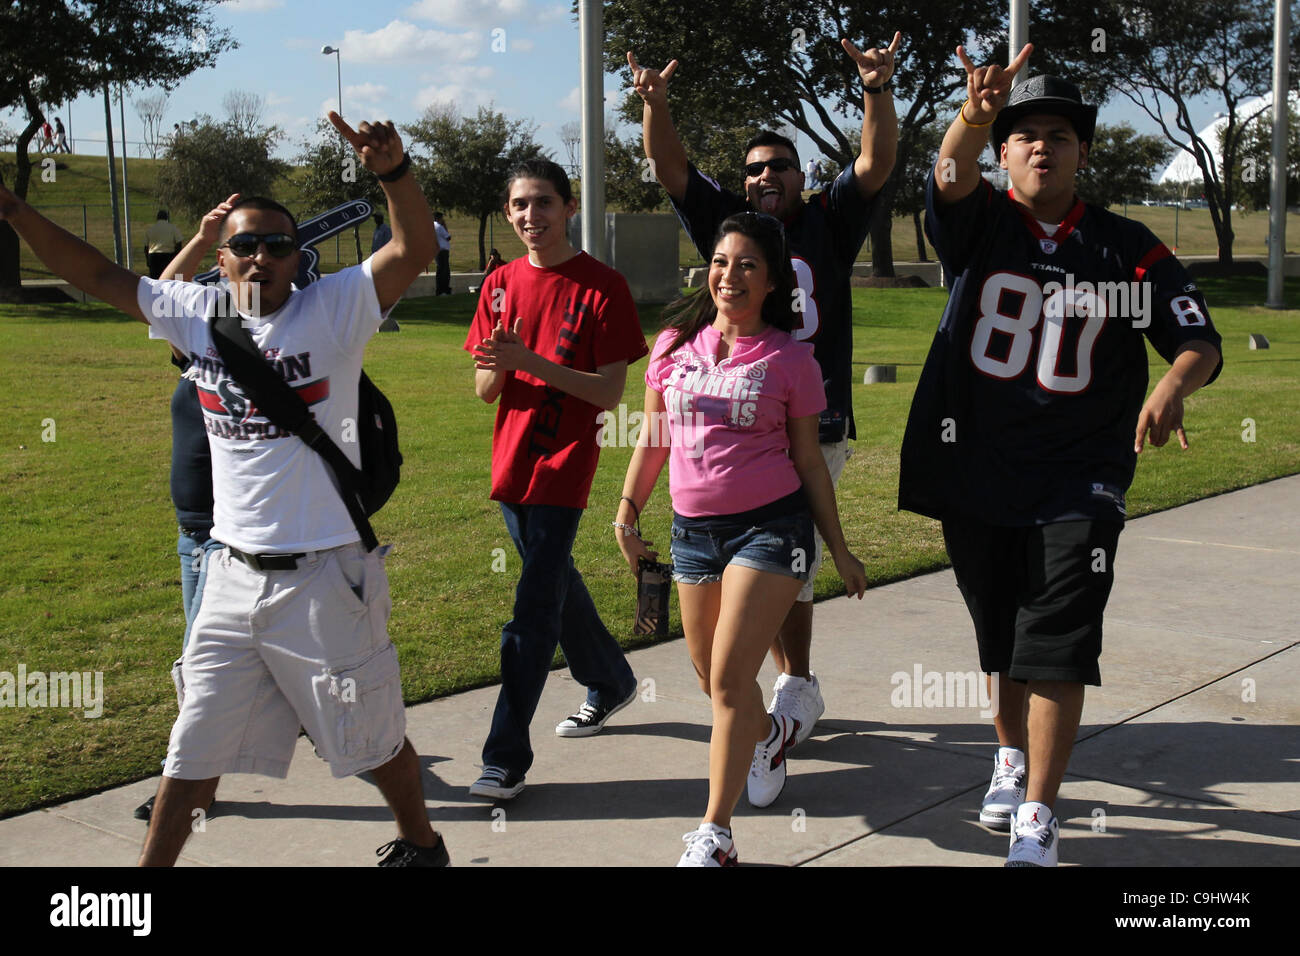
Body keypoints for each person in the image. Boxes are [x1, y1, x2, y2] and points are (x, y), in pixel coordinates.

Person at [0, 110, 450, 867]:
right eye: (247, 244)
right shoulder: (196, 317)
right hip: (228, 575)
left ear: (297, 258)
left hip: (323, 577)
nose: (264, 257)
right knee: (191, 748)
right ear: (224, 256)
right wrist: (16, 212)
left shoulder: (334, 310)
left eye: (281, 244)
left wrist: (394, 172)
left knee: (371, 740)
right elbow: (97, 273)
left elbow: (409, 248)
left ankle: (420, 841)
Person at [898, 47, 1223, 867]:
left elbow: (1196, 337)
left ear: (1084, 151)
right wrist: (972, 115)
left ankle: (1040, 813)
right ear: (1004, 153)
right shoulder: (980, 222)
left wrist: (1175, 383)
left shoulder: (1127, 247)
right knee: (1000, 637)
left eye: (1060, 134)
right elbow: (943, 171)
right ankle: (1009, 757)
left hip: (1080, 475)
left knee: (1060, 639)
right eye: (1026, 135)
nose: (1042, 146)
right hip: (977, 467)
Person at [628, 34, 899, 748]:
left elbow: (874, 162)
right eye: (753, 169)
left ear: (800, 173)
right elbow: (669, 165)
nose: (764, 176)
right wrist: (656, 105)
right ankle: (771, 691)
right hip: (733, 418)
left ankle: (793, 683)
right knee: (745, 580)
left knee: (789, 567)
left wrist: (876, 88)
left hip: (810, 420)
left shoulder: (827, 218)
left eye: (778, 165)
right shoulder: (731, 226)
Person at [615, 212, 867, 866]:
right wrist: (626, 511)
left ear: (773, 281)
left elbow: (810, 461)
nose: (730, 276)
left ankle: (715, 835)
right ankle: (770, 736)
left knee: (729, 677)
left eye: (748, 265)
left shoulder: (791, 359)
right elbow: (653, 438)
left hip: (772, 529)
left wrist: (837, 548)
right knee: (712, 681)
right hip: (692, 535)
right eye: (722, 262)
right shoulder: (672, 346)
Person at [464, 158, 645, 801]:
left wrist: (529, 359)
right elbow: (487, 390)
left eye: (543, 203)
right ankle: (612, 678)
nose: (529, 217)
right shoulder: (500, 284)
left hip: (564, 465)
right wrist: (502, 362)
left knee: (532, 609)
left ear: (568, 208)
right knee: (555, 580)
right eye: (518, 205)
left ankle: (504, 757)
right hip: (511, 461)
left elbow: (610, 391)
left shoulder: (603, 287)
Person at [133, 195, 240, 822]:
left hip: (227, 536)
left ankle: (191, 787)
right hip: (191, 534)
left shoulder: (247, 356)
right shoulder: (194, 353)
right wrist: (201, 237)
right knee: (211, 667)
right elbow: (160, 291)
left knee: (201, 669)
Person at [144, 210, 185, 280]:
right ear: (167, 218)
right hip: (168, 256)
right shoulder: (173, 228)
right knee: (170, 278)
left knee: (155, 280)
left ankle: (156, 291)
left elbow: (146, 247)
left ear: (157, 218)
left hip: (153, 257)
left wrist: (148, 260)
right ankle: (171, 290)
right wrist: (177, 255)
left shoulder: (150, 229)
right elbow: (179, 242)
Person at [433, 211, 452, 294]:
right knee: (445, 271)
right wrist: (445, 226)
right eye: (441, 218)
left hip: (436, 251)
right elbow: (448, 237)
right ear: (438, 218)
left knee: (440, 270)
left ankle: (439, 289)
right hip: (443, 251)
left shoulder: (431, 226)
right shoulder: (440, 227)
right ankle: (445, 289)